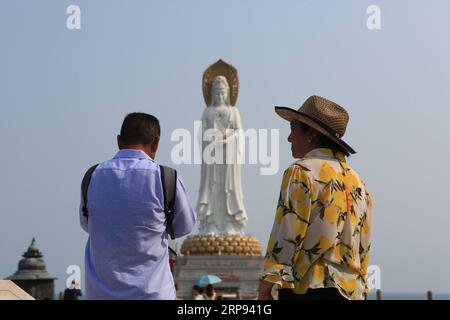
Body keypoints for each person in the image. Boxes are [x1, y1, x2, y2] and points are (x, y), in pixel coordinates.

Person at [258, 95, 373, 300]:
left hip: (309, 287)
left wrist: (268, 284)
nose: (289, 138)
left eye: (292, 129)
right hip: (352, 291)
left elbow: (287, 235)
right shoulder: (359, 183)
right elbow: (363, 248)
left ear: (311, 134)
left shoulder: (301, 172)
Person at [79, 112, 197, 299]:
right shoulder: (165, 178)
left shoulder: (92, 177)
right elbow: (184, 226)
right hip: (152, 294)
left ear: (119, 141)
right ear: (156, 143)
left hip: (100, 294)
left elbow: (87, 225)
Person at [197, 73, 248, 236]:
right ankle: (211, 224)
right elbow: (202, 133)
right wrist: (212, 136)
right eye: (216, 93)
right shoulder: (208, 111)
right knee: (212, 189)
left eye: (222, 93)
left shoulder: (233, 111)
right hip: (212, 158)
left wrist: (228, 137)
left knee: (229, 189)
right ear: (211, 94)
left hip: (229, 158)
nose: (219, 96)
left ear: (228, 94)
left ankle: (229, 223)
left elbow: (240, 133)